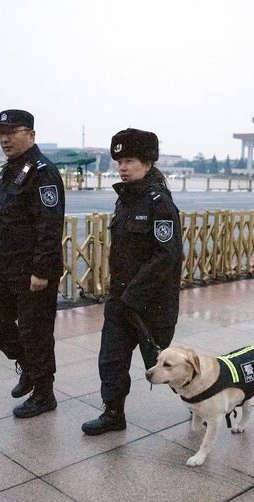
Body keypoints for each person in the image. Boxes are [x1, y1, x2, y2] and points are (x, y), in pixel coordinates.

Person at [82, 128, 182, 435]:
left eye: (130, 161)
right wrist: (120, 296)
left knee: (167, 367)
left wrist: (133, 295)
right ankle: (113, 413)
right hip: (120, 301)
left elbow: (167, 257)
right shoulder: (124, 200)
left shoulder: (159, 202)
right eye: (120, 161)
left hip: (151, 304)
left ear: (148, 163)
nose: (123, 167)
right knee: (110, 361)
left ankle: (205, 403)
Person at [0, 109, 65, 418]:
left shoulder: (42, 171)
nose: (5, 138)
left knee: (35, 333)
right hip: (6, 269)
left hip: (33, 273)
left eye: (12, 131)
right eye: (1, 132)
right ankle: (28, 366)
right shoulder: (11, 170)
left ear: (31, 135)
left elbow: (50, 225)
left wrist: (42, 271)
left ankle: (44, 394)